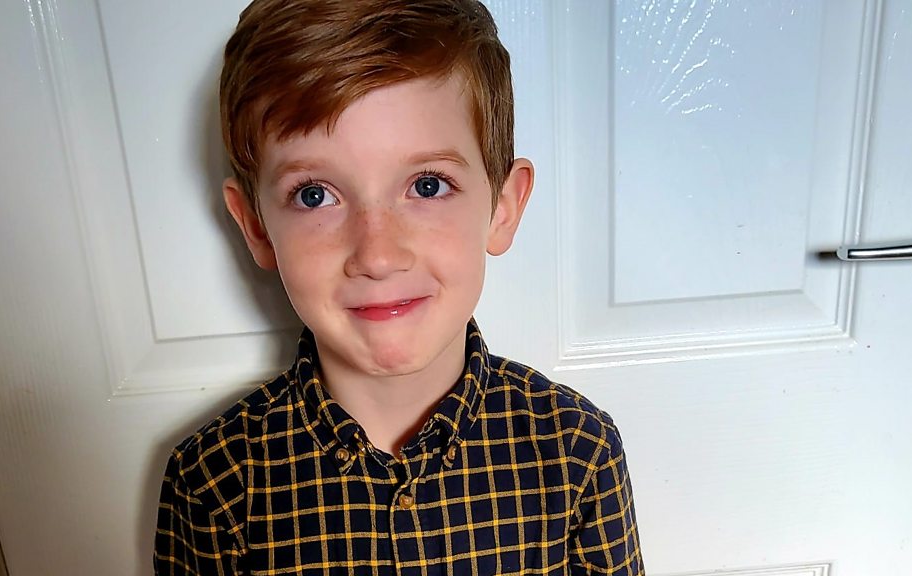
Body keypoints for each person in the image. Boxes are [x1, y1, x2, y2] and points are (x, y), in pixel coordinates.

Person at [154, 0, 644, 573]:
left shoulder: (579, 453)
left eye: (428, 185)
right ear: (256, 226)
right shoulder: (210, 484)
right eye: (315, 195)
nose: (378, 256)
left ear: (503, 207)